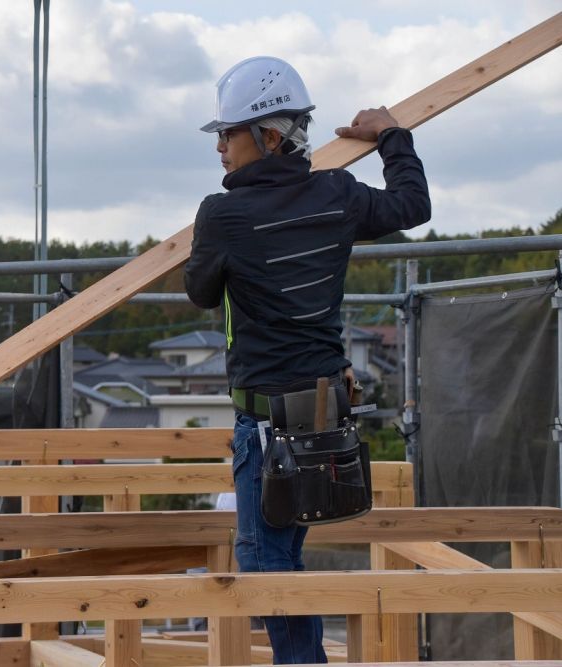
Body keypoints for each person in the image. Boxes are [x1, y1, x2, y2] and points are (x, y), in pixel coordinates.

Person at [184, 56, 430, 663]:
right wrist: (393, 136)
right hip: (325, 417)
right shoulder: (336, 194)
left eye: (227, 133)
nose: (219, 146)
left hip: (268, 424)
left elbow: (200, 292)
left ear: (268, 135)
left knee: (265, 565)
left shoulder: (223, 215)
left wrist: (214, 244)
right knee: (285, 556)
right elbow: (411, 205)